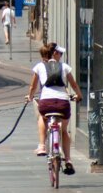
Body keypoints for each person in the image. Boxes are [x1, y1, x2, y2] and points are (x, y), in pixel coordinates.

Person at [26, 43, 83, 175]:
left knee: (42, 117)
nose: (61, 56)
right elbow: (73, 84)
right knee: (63, 131)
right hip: (63, 103)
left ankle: (41, 146)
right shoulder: (64, 67)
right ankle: (68, 160)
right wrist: (79, 95)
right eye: (60, 53)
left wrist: (30, 97)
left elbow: (32, 86)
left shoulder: (39, 66)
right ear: (54, 54)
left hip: (46, 103)